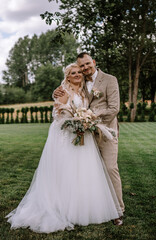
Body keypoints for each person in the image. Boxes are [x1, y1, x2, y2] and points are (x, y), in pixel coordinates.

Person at [6, 63, 123, 233]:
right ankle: (62, 208)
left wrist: (84, 122)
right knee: (65, 171)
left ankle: (82, 208)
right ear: (67, 76)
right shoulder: (63, 91)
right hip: (66, 135)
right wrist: (74, 124)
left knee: (82, 172)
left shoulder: (84, 92)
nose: (77, 75)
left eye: (79, 73)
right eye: (73, 73)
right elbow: (57, 114)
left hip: (83, 134)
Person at [54, 52, 124, 225]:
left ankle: (118, 210)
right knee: (90, 173)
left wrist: (91, 118)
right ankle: (94, 207)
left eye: (86, 64)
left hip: (105, 131)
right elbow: (70, 91)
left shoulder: (109, 79)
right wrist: (57, 91)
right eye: (81, 66)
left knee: (109, 169)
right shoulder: (82, 81)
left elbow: (114, 108)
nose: (84, 69)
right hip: (85, 135)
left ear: (93, 62)